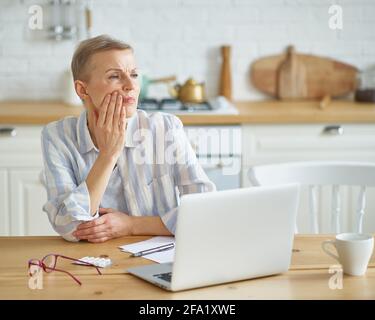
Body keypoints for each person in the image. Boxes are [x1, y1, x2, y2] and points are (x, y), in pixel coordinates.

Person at [41, 35, 215, 243]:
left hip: (161, 260)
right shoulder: (58, 136)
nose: (130, 85)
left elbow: (206, 211)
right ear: (82, 89)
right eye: (114, 76)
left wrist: (131, 225)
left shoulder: (165, 128)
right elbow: (69, 226)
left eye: (133, 74)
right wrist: (108, 155)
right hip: (92, 262)